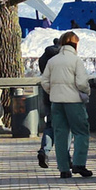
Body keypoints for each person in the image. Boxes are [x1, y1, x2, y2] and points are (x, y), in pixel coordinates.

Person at [40, 31, 93, 178]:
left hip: (56, 102)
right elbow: (82, 83)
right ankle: (79, 164)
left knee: (60, 134)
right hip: (74, 102)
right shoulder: (76, 61)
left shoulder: (52, 61)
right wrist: (86, 92)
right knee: (81, 132)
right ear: (75, 44)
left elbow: (44, 81)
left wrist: (53, 91)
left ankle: (64, 169)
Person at [35, 36, 62, 169]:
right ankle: (65, 159)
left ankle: (44, 150)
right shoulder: (63, 58)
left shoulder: (44, 57)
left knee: (50, 125)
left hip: (48, 95)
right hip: (63, 96)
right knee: (64, 128)